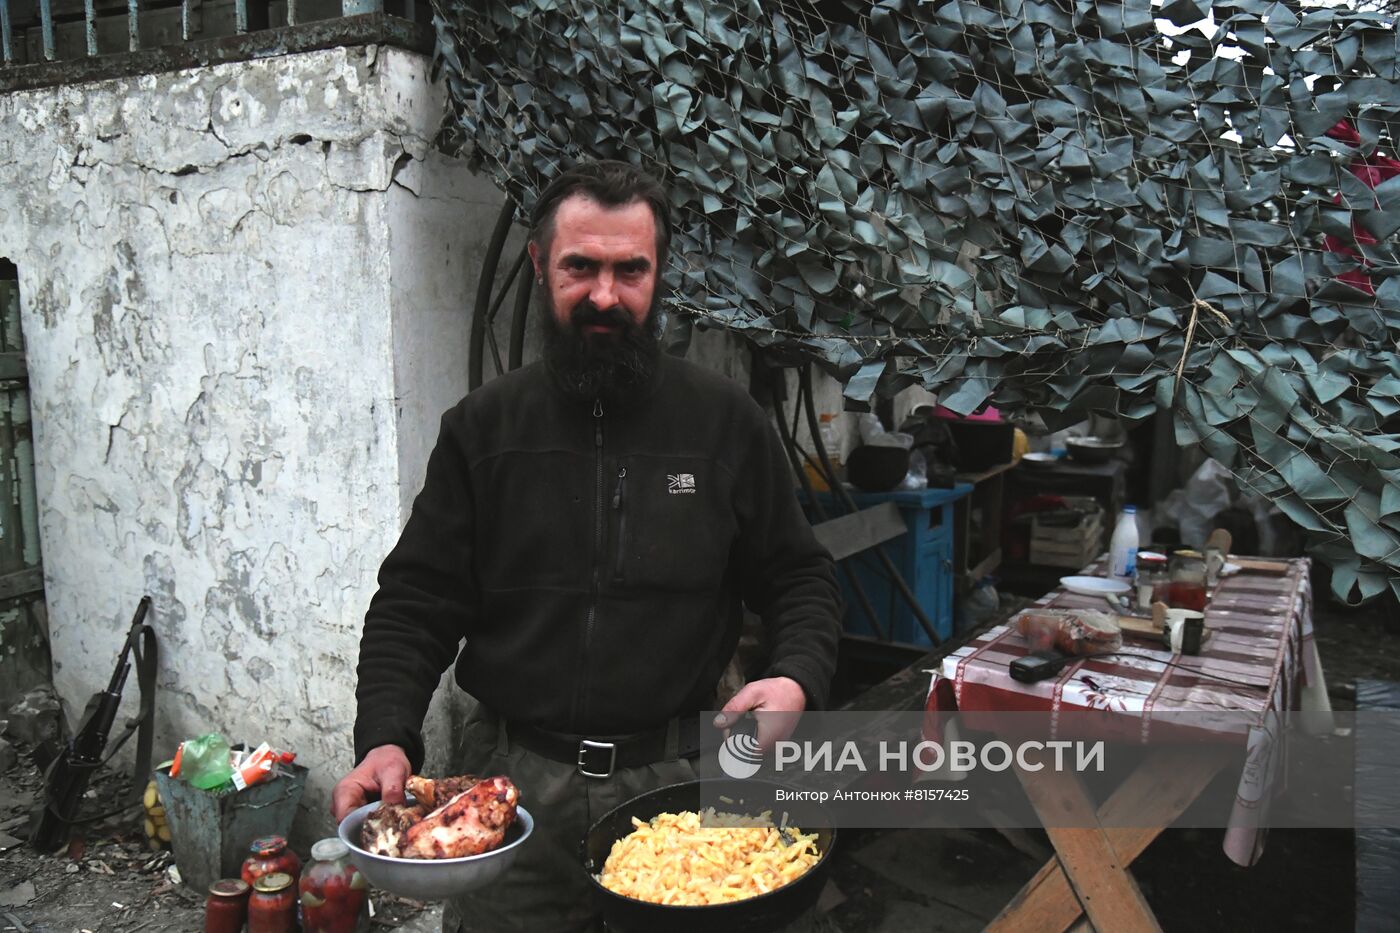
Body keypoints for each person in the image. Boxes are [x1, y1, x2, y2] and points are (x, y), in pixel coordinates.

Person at [332, 160, 842, 932]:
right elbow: (415, 601)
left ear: (658, 273)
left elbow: (800, 577)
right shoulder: (483, 430)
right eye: (581, 267)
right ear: (540, 265)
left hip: (683, 783)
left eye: (629, 269)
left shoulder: (725, 424)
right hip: (513, 794)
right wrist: (384, 734)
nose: (605, 295)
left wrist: (795, 677)